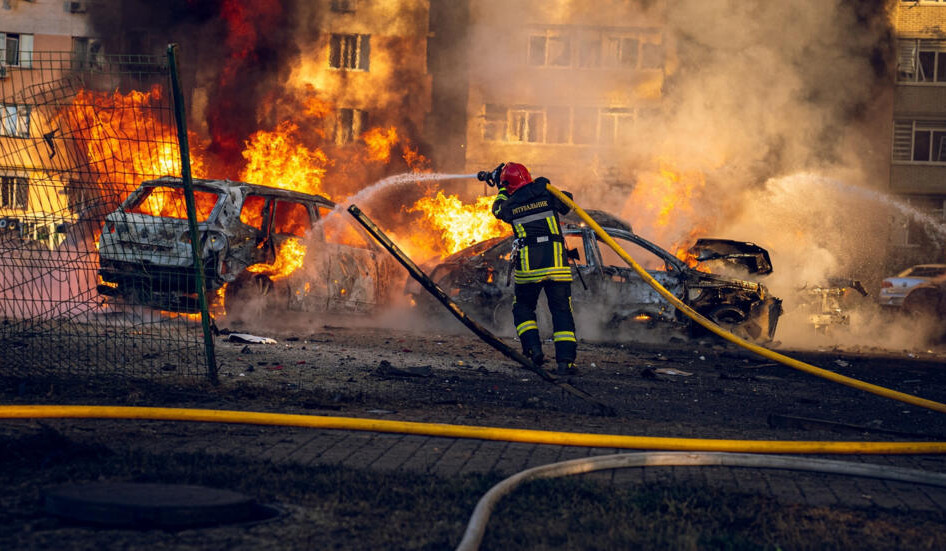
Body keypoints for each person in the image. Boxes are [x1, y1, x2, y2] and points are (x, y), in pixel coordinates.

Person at [489, 162, 579, 376]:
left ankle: (533, 351)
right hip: (556, 264)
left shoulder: (510, 204)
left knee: (523, 308)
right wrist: (543, 185)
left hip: (530, 266)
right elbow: (568, 202)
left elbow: (498, 209)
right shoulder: (547, 193)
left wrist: (501, 188)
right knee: (561, 311)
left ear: (508, 185)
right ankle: (565, 363)